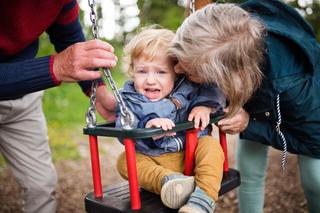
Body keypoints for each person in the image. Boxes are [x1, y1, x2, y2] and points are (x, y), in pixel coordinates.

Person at [169, 0, 320, 212]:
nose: (175, 69)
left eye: (190, 72)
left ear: (225, 78)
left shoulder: (297, 90)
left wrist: (249, 123)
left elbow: (313, 141)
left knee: (315, 177)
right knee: (248, 169)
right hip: (252, 82)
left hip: (300, 104)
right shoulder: (230, 32)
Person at [0, 1, 117, 212]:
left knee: (41, 185)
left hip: (23, 96)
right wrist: (55, 66)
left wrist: (98, 92)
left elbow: (68, 36)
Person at [100, 27, 226, 213]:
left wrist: (204, 106)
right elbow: (123, 127)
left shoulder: (188, 87)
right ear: (132, 71)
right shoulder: (127, 98)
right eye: (142, 71)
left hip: (190, 153)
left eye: (160, 72)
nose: (150, 80)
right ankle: (170, 183)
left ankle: (203, 199)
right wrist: (147, 125)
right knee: (124, 161)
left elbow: (212, 87)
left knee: (211, 146)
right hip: (154, 160)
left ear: (177, 72)